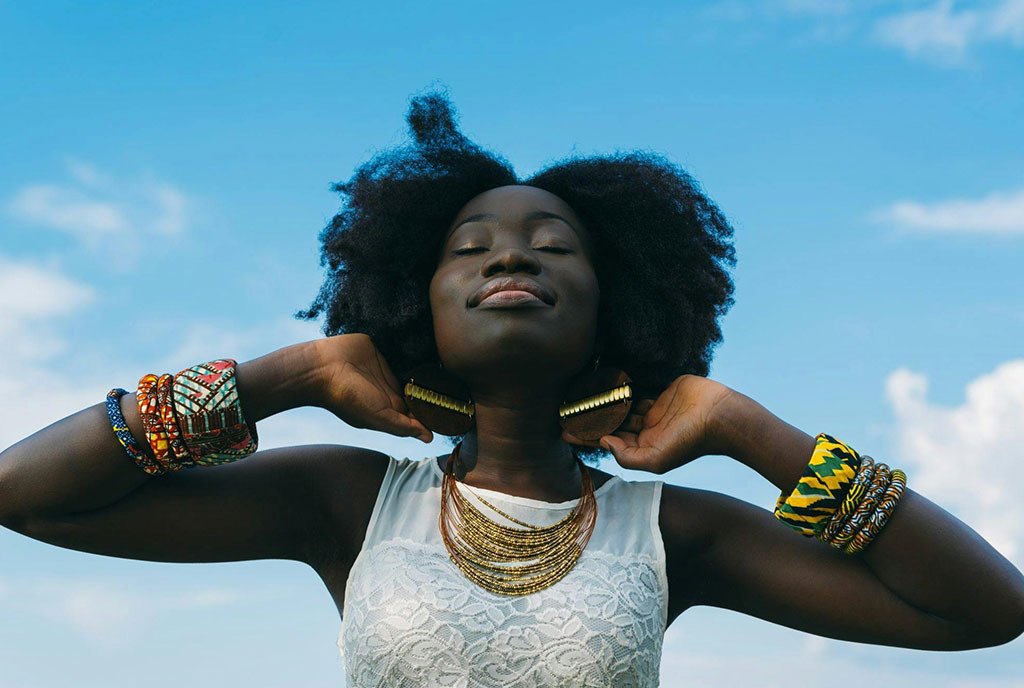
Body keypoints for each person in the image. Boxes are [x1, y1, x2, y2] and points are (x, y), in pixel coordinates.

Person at [1, 88, 1022, 688]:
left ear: (612, 305)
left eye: (552, 245)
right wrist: (292, 372)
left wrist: (751, 431)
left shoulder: (671, 532)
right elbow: (26, 493)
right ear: (418, 301)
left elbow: (983, 609)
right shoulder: (352, 503)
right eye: (470, 246)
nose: (511, 259)